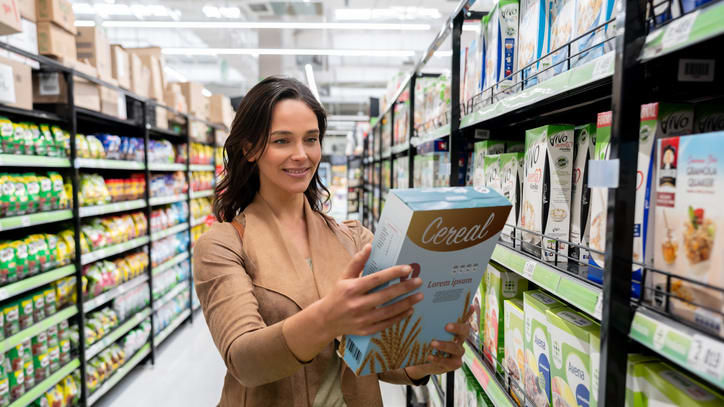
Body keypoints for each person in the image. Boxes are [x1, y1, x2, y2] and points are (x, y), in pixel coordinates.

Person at [193, 76, 471, 407]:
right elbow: (243, 361)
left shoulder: (354, 239)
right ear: (249, 148)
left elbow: (372, 356)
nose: (301, 155)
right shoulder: (223, 246)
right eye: (282, 141)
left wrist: (425, 361)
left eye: (311, 139)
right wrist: (329, 318)